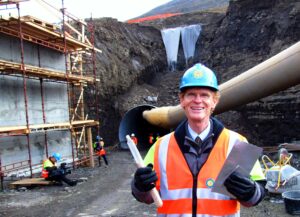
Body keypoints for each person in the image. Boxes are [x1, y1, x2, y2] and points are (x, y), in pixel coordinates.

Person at [131, 63, 266, 216]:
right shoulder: (161, 147)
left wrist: (250, 192)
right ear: (182, 100)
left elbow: (257, 195)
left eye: (204, 95)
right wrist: (139, 187)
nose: (197, 100)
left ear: (214, 101)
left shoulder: (237, 144)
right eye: (191, 94)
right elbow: (148, 197)